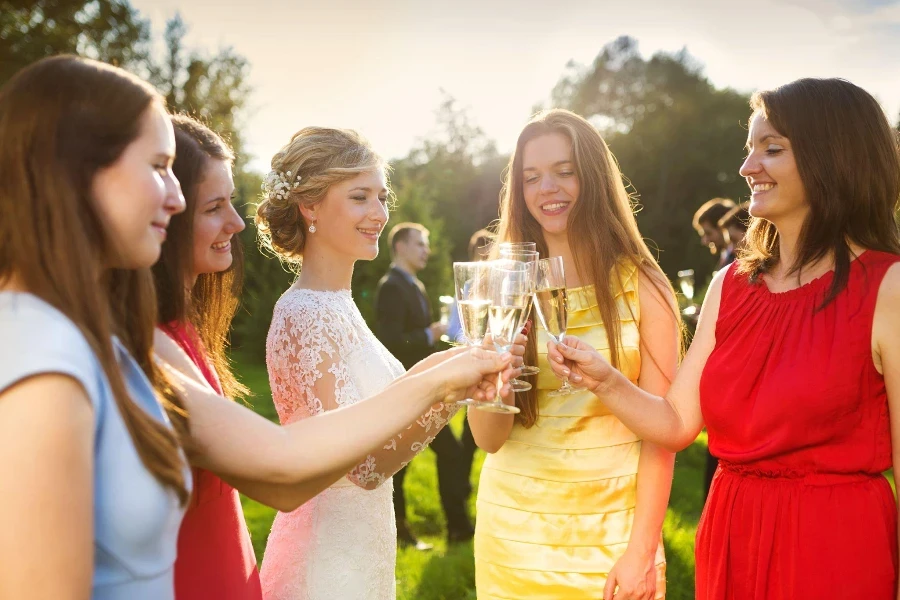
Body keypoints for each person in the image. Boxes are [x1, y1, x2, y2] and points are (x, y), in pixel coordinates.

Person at [547, 78, 900, 599]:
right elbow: (676, 424)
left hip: (835, 549)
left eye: (771, 148)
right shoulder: (730, 285)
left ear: (834, 157)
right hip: (731, 535)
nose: (747, 167)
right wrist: (606, 380)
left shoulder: (888, 286)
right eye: (749, 148)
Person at [147, 120, 522, 600]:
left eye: (382, 197)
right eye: (360, 196)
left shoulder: (342, 304)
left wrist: (449, 376)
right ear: (309, 206)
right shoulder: (304, 312)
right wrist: (447, 390)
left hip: (362, 545)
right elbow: (362, 470)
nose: (379, 213)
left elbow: (376, 420)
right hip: (325, 556)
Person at [0, 55, 191, 599]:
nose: (177, 197)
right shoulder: (41, 354)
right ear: (77, 171)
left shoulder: (86, 335)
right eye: (158, 166)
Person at [470, 108, 679, 599]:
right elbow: (488, 439)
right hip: (514, 533)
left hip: (613, 534)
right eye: (532, 177)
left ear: (594, 177)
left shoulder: (644, 285)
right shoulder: (500, 286)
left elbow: (663, 433)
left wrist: (642, 550)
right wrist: (495, 382)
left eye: (565, 172)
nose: (548, 189)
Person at [375, 223, 474, 549]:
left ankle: (451, 527)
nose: (425, 251)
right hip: (406, 389)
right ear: (401, 246)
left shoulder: (413, 284)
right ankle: (437, 528)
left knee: (425, 459)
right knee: (404, 465)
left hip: (423, 386)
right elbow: (389, 340)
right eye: (419, 244)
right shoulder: (391, 286)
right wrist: (429, 335)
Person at [693, 198, 736, 268]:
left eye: (708, 233)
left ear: (723, 229)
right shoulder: (725, 258)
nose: (705, 241)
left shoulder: (737, 261)